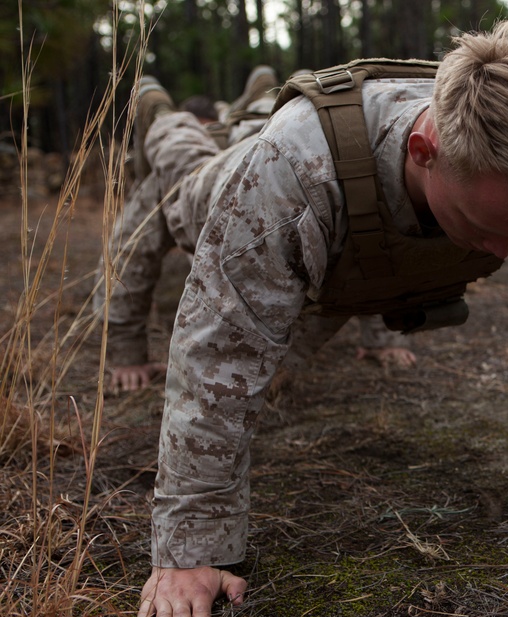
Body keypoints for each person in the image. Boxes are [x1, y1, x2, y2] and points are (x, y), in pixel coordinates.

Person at [131, 17, 508, 617]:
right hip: (224, 180)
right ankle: (164, 114)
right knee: (180, 172)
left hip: (335, 245)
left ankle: (229, 113)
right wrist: (192, 547)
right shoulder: (288, 173)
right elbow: (216, 353)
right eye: (483, 224)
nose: (502, 248)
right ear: (424, 150)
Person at [99, 70, 414, 393]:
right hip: (249, 149)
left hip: (255, 152)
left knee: (236, 155)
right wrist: (126, 352)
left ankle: (229, 110)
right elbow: (130, 251)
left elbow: (358, 236)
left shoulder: (295, 172)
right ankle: (175, 115)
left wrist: (380, 339)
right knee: (194, 166)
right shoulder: (170, 182)